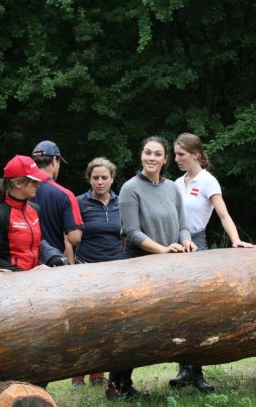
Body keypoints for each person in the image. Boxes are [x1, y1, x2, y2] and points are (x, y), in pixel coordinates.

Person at [106, 136, 196, 401]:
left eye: (158, 154)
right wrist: (163, 249)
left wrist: (186, 241)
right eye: (148, 153)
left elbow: (182, 224)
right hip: (139, 266)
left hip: (170, 265)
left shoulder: (171, 188)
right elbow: (132, 232)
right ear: (141, 155)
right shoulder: (130, 189)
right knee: (131, 327)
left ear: (165, 159)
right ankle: (115, 384)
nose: (152, 158)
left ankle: (187, 373)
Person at [168, 132, 255, 392]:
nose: (176, 159)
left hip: (197, 245)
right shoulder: (175, 183)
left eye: (181, 155)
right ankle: (183, 368)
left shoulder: (208, 181)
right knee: (177, 310)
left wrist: (236, 240)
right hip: (173, 248)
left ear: (195, 154)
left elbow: (223, 215)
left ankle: (197, 372)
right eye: (175, 154)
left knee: (197, 309)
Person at [71, 158, 123, 389]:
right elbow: (69, 237)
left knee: (107, 323)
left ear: (112, 178)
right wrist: (71, 267)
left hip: (114, 271)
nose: (100, 182)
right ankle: (78, 376)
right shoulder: (79, 202)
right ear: (89, 179)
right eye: (95, 178)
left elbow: (125, 236)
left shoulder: (122, 203)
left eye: (104, 178)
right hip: (86, 269)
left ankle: (99, 373)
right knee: (83, 324)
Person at [0, 155, 68, 271]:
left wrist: (53, 257)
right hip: (10, 283)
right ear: (18, 183)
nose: (38, 184)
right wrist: (23, 274)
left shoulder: (35, 210)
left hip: (34, 279)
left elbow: (39, 243)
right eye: (34, 181)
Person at [30, 140, 83, 263]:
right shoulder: (65, 194)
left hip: (23, 263)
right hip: (52, 263)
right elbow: (75, 238)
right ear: (55, 161)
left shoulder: (18, 189)